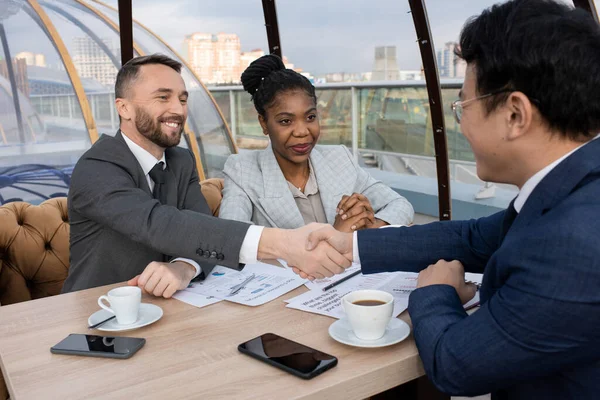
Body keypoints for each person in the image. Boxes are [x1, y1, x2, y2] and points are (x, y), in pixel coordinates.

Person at [304, 1, 600, 398]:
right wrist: (352, 243)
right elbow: (474, 238)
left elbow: (454, 365)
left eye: (463, 106)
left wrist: (435, 290)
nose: (459, 126)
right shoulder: (574, 185)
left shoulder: (574, 246)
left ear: (516, 114)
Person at [64, 54, 351, 297]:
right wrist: (284, 243)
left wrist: (184, 267)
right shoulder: (96, 167)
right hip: (98, 316)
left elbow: (201, 229)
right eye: (162, 97)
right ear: (123, 108)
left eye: (182, 98)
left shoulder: (180, 160)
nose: (177, 109)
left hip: (171, 314)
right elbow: (159, 224)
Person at [220, 54, 413, 232]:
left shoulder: (339, 158)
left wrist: (370, 228)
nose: (302, 131)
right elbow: (231, 237)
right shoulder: (242, 171)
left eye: (310, 117)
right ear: (264, 123)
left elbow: (400, 205)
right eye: (286, 121)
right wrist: (337, 236)